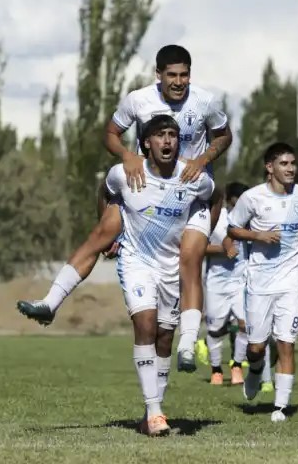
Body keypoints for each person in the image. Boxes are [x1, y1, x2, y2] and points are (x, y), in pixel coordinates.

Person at [18, 45, 232, 373]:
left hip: (189, 196)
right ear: (158, 75)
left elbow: (224, 136)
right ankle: (50, 303)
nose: (178, 82)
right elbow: (111, 134)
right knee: (101, 234)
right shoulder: (138, 100)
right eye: (171, 75)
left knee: (190, 258)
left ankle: (188, 344)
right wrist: (126, 155)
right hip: (143, 186)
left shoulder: (205, 101)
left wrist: (203, 160)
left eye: (184, 75)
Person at [108, 115, 214, 435]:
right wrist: (108, 231)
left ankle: (153, 411)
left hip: (170, 264)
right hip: (136, 258)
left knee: (165, 337)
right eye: (160, 135)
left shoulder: (193, 177)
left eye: (172, 135)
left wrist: (199, 233)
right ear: (146, 143)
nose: (167, 141)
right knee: (145, 324)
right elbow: (106, 194)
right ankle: (155, 413)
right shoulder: (123, 174)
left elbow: (214, 196)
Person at [227, 142, 298, 422]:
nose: (291, 169)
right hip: (259, 283)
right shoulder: (252, 198)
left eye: (293, 163)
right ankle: (256, 369)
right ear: (270, 168)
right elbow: (232, 229)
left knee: (286, 343)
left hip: (291, 281)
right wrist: (258, 236)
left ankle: (280, 407)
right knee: (256, 347)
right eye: (284, 164)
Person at [203, 182, 250, 386]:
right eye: (237, 198)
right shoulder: (216, 218)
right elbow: (200, 247)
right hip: (217, 281)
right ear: (229, 200)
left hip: (241, 280)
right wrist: (222, 251)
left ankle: (237, 365)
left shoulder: (251, 219)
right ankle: (216, 370)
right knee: (216, 329)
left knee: (245, 324)